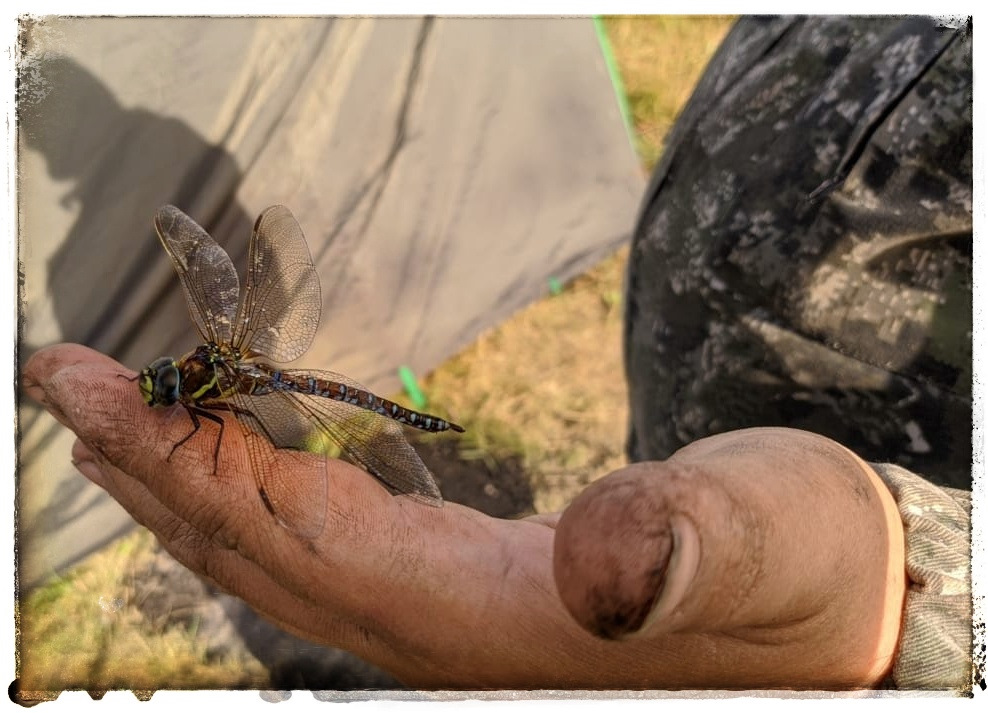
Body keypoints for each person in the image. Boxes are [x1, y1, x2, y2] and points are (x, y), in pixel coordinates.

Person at [22, 15, 973, 690]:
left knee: (341, 439)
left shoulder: (220, 383)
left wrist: (899, 587)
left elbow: (209, 423)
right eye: (165, 384)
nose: (163, 388)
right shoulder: (204, 363)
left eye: (165, 385)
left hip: (827, 461)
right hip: (710, 435)